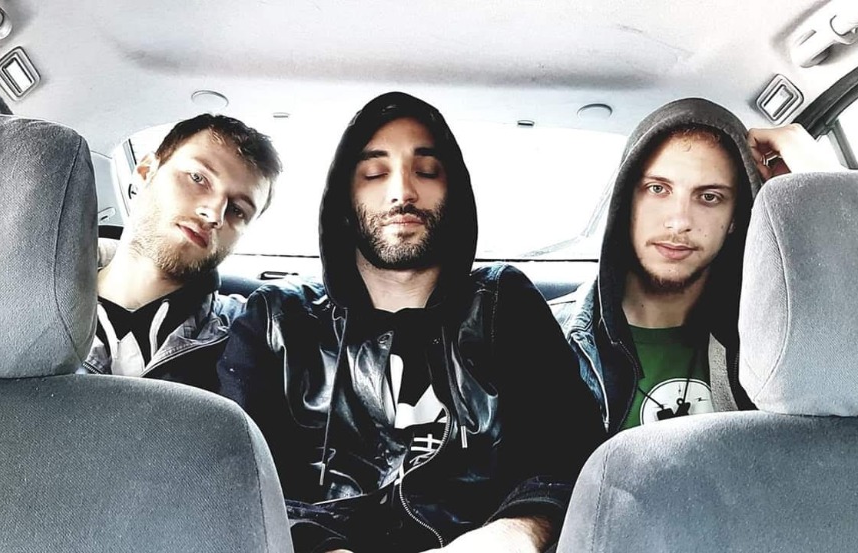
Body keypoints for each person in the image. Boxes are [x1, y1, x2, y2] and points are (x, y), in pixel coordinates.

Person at [217, 91, 606, 553]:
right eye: (375, 173)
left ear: (454, 192)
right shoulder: (277, 319)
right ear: (344, 197)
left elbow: (571, 456)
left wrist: (516, 533)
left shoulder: (504, 305)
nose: (402, 192)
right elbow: (236, 478)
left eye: (426, 171)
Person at [550, 98, 843, 436]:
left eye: (709, 197)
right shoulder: (547, 339)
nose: (679, 222)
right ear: (626, 201)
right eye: (657, 189)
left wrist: (826, 184)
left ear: (734, 219)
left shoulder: (782, 341)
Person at [82, 113, 282, 390]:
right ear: (145, 172)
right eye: (198, 178)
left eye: (237, 210)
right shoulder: (27, 310)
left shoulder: (255, 339)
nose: (214, 214)